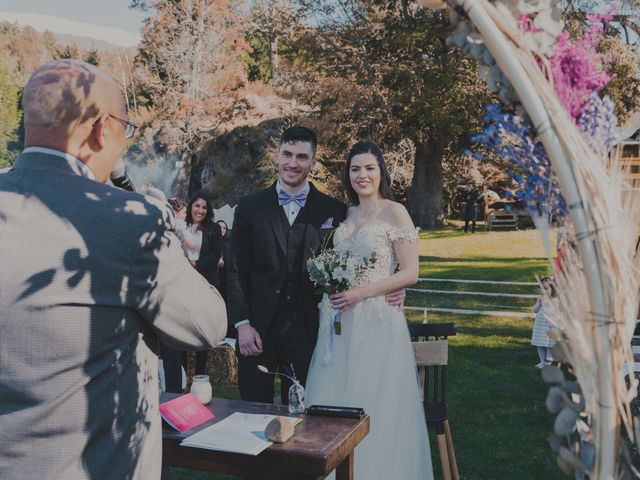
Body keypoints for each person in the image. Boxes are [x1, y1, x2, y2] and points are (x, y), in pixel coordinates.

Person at [0, 60, 227, 479]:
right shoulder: (129, 220)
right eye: (126, 128)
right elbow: (208, 325)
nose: (125, 144)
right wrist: (159, 224)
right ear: (101, 129)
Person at [227, 126, 404, 404]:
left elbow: (360, 254)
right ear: (277, 156)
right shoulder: (250, 207)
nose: (292, 163)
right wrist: (242, 324)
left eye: (301, 157)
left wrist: (394, 286)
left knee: (303, 419)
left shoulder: (333, 210)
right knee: (252, 409)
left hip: (309, 333)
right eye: (287, 154)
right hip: (256, 331)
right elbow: (235, 269)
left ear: (313, 162)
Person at [305, 141, 433, 479]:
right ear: (348, 175)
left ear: (381, 172)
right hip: (338, 321)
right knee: (335, 397)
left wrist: (365, 292)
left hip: (376, 320)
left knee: (374, 400)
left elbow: (410, 271)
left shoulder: (395, 211)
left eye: (369, 168)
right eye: (355, 169)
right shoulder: (344, 215)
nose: (362, 175)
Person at [163, 191, 223, 391]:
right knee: (181, 329)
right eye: (197, 206)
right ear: (190, 207)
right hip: (181, 287)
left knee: (202, 330)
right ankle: (179, 376)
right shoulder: (179, 227)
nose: (200, 210)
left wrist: (195, 264)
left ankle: (200, 377)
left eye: (204, 207)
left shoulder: (213, 229)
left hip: (204, 284)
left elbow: (215, 256)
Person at [531, 276, 558, 368]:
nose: (544, 291)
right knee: (539, 343)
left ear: (552, 289)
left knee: (549, 344)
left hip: (550, 324)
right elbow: (535, 310)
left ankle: (548, 362)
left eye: (546, 289)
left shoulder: (555, 300)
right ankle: (542, 361)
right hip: (540, 324)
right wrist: (538, 303)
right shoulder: (540, 298)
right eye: (542, 288)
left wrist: (546, 304)